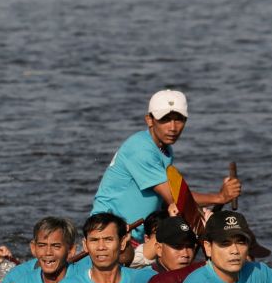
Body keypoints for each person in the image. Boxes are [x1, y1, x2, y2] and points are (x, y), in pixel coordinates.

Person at [90, 90, 241, 252]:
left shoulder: (164, 149)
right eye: (165, 120)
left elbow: (170, 200)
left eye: (179, 120)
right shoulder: (141, 149)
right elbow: (175, 197)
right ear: (149, 120)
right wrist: (220, 197)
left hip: (135, 236)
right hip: (107, 233)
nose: (173, 127)